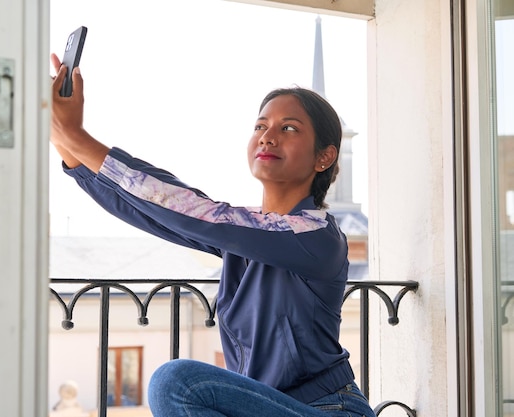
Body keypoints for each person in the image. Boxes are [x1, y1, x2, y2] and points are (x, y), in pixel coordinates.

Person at [49, 53, 376, 417]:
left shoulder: (314, 236)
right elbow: (155, 213)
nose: (267, 137)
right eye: (260, 126)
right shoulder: (247, 237)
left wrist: (76, 135)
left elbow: (187, 209)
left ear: (324, 157)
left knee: (176, 381)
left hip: (329, 409)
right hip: (267, 407)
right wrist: (62, 138)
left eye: (288, 128)